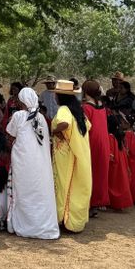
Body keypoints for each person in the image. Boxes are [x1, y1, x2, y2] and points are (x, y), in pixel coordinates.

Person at [5, 87, 59, 239]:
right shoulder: (41, 118)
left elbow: (10, 135)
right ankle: (41, 224)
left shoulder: (19, 116)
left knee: (24, 191)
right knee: (38, 191)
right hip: (40, 163)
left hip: (23, 162)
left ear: (21, 101)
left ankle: (24, 224)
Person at [50, 81, 91, 232]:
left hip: (65, 154)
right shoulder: (78, 110)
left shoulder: (64, 110)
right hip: (78, 153)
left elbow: (64, 124)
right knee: (76, 184)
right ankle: (74, 221)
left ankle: (63, 218)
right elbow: (88, 126)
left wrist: (54, 131)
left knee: (63, 184)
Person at [82, 80, 110, 211]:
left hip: (92, 142)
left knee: (91, 172)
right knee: (102, 172)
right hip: (104, 142)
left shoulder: (87, 107)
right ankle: (101, 200)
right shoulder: (102, 106)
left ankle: (92, 201)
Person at [106, 114, 134, 211]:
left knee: (113, 184)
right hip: (122, 162)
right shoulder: (120, 136)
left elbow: (110, 154)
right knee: (120, 183)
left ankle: (114, 203)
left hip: (114, 164)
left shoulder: (110, 137)